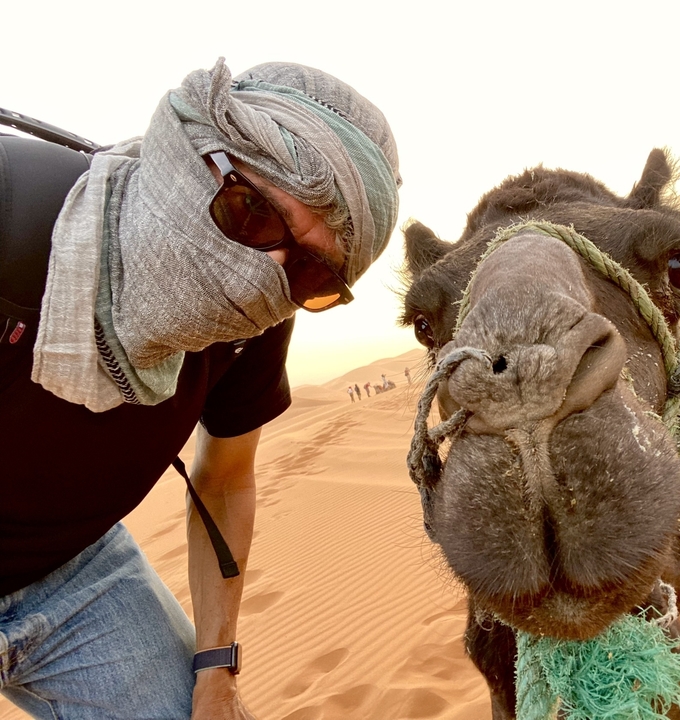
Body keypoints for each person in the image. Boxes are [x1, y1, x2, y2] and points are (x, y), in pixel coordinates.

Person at [0, 58, 401, 720]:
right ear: (190, 158)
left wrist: (216, 667)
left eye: (310, 272)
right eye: (249, 212)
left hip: (78, 577)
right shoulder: (13, 208)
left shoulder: (254, 322)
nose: (260, 274)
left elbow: (225, 482)